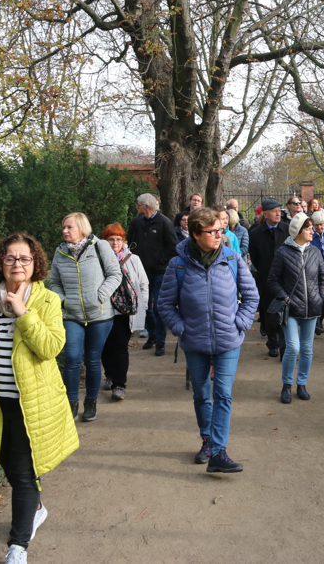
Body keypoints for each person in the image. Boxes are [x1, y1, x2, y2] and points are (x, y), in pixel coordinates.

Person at [0, 232, 78, 564]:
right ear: (0, 262)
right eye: (10, 258)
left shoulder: (47, 301)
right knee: (7, 467)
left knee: (24, 474)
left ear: (35, 263)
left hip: (32, 405)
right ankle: (37, 508)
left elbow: (51, 347)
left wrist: (24, 313)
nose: (17, 264)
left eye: (24, 258)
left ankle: (18, 545)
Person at [158, 207, 258, 473]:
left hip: (228, 340)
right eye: (212, 231)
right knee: (202, 395)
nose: (219, 235)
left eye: (220, 230)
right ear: (195, 234)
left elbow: (251, 297)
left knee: (223, 394)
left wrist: (240, 323)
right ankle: (206, 440)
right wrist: (182, 328)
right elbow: (165, 304)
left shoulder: (232, 259)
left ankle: (218, 451)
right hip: (195, 341)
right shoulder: (177, 264)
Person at [50, 213, 122, 422]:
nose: (64, 231)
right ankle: (71, 403)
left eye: (69, 227)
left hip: (99, 315)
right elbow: (54, 282)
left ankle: (90, 402)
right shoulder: (60, 252)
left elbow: (115, 274)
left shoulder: (100, 247)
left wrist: (100, 296)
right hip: (71, 315)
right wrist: (63, 301)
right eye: (64, 227)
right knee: (72, 358)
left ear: (82, 228)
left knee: (92, 360)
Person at [268, 212, 324, 403]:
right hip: (291, 308)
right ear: (298, 230)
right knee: (293, 347)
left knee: (307, 349)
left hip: (312, 309)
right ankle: (287, 384)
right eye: (309, 228)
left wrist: (321, 298)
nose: (313, 231)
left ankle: (301, 383)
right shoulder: (282, 252)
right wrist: (285, 297)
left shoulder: (315, 252)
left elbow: (323, 278)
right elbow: (272, 280)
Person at [99, 224, 149, 401]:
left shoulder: (132, 259)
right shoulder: (98, 260)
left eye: (118, 239)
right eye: (111, 239)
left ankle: (119, 385)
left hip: (125, 312)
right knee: (105, 347)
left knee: (120, 348)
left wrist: (141, 307)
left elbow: (143, 284)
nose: (115, 243)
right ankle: (110, 374)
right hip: (104, 310)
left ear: (124, 241)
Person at [127, 193, 179, 357]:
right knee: (143, 306)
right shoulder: (136, 222)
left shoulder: (164, 223)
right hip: (141, 273)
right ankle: (152, 334)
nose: (137, 208)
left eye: (139, 205)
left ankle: (160, 342)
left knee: (158, 308)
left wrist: (159, 261)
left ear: (146, 206)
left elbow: (173, 247)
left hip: (159, 273)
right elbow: (130, 243)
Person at [248, 198, 290, 357]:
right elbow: (255, 257)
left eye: (280, 210)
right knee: (270, 312)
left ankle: (284, 345)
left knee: (285, 311)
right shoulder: (255, 233)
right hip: (266, 278)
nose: (279, 213)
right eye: (274, 211)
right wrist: (264, 271)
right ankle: (272, 343)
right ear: (265, 214)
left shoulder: (287, 229)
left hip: (285, 277)